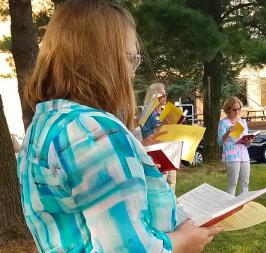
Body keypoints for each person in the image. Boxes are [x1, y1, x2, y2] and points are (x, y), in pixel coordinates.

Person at [18, 1, 222, 252]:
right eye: (130, 58)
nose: (132, 72)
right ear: (102, 61)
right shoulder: (93, 131)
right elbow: (129, 248)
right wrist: (183, 242)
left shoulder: (46, 122)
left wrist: (136, 156)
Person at [140, 83, 177, 192]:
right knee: (161, 184)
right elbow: (147, 137)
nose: (166, 97)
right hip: (157, 153)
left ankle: (173, 204)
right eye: (163, 95)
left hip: (170, 150)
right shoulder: (147, 113)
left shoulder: (166, 111)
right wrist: (163, 124)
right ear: (155, 96)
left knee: (172, 182)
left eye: (166, 94)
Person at [218, 97, 252, 196]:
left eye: (239, 109)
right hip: (232, 156)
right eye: (234, 109)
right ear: (228, 109)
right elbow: (220, 141)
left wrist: (249, 142)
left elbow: (245, 139)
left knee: (245, 184)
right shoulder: (223, 123)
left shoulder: (243, 122)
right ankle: (230, 207)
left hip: (244, 155)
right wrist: (228, 131)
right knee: (232, 184)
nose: (237, 111)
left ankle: (244, 206)